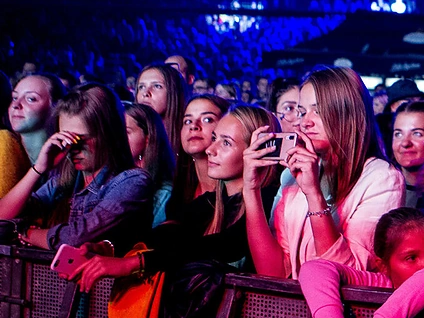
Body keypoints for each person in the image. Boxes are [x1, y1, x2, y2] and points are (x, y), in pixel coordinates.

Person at [67, 104, 282, 289]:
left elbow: (223, 244)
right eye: (214, 138)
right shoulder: (213, 201)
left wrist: (136, 263)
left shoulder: (268, 198)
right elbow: (165, 232)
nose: (210, 149)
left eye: (226, 143)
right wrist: (109, 247)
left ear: (260, 151)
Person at [244, 67, 405, 278]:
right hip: (289, 307)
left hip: (344, 309)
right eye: (302, 112)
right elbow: (273, 272)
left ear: (350, 113)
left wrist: (314, 194)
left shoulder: (382, 179)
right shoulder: (292, 175)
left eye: (318, 111)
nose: (305, 122)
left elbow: (351, 275)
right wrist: (250, 190)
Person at [0, 84, 152, 252]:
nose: (72, 148)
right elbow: (2, 217)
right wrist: (39, 168)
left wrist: (26, 232)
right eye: (66, 138)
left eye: (81, 140)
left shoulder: (132, 181)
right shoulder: (66, 180)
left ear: (109, 135)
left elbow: (75, 237)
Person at [164, 95, 231, 222]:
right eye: (187, 121)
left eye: (207, 119)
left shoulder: (235, 196)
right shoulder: (180, 192)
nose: (194, 126)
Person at [123, 102, 177, 227]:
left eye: (125, 132)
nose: (116, 138)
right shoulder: (107, 178)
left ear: (148, 138)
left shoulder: (164, 193)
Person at [8, 73, 67, 163]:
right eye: (15, 98)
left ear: (56, 106)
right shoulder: (5, 150)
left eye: (31, 99)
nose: (16, 105)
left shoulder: (69, 159)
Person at [135, 63, 188, 158]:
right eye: (141, 87)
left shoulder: (187, 136)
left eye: (157, 86)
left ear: (173, 92)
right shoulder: (128, 136)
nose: (146, 93)